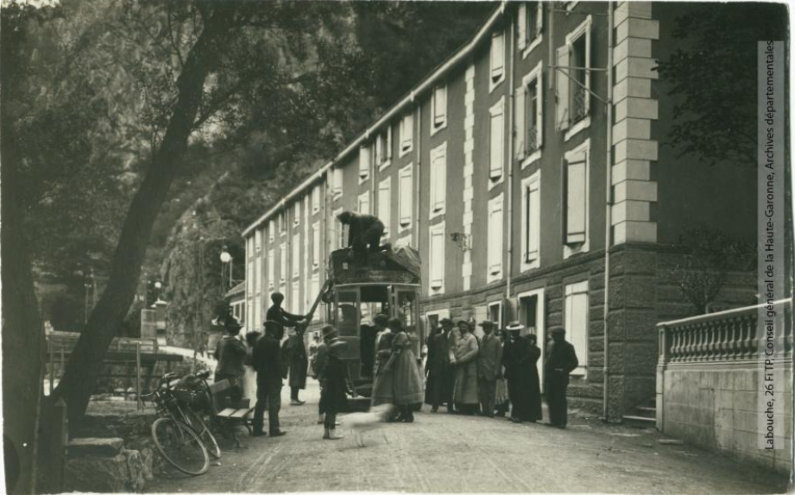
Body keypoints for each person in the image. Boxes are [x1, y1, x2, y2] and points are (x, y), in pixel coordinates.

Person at [384, 318, 424, 422]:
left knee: (404, 385)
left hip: (403, 360)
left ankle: (408, 414)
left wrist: (389, 364)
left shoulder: (401, 335)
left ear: (395, 326)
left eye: (391, 326)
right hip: (405, 358)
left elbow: (397, 351)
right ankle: (404, 413)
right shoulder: (401, 334)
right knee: (403, 386)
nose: (390, 328)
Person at [252, 321, 287, 437]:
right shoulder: (275, 342)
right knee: (273, 402)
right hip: (273, 377)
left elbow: (254, 360)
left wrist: (259, 370)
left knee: (260, 402)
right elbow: (277, 361)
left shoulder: (258, 341)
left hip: (261, 376)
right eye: (276, 329)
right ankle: (274, 429)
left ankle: (257, 429)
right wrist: (281, 375)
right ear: (273, 330)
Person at [502, 322, 542, 423]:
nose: (515, 332)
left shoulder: (525, 342)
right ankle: (514, 414)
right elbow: (503, 357)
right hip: (510, 371)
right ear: (510, 331)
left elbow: (528, 354)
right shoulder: (507, 342)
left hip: (521, 372)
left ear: (519, 331)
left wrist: (520, 363)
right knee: (512, 393)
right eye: (513, 331)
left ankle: (518, 415)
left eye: (517, 331)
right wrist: (507, 364)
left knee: (519, 392)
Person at [545, 326, 579, 428]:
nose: (553, 337)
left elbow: (574, 362)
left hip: (561, 378)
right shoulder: (552, 346)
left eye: (555, 335)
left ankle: (562, 422)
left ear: (561, 336)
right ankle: (554, 421)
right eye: (553, 335)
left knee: (560, 399)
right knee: (551, 399)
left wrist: (564, 370)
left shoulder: (568, 347)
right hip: (551, 377)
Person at [320, 339, 352, 440]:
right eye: (340, 350)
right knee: (333, 411)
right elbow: (341, 378)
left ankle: (326, 432)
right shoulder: (337, 363)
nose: (342, 352)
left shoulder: (328, 361)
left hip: (327, 388)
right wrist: (347, 389)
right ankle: (332, 433)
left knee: (328, 411)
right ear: (336, 352)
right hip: (334, 388)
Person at [213, 319, 247, 408]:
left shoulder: (221, 341)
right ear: (237, 331)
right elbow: (244, 352)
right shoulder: (234, 342)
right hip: (230, 375)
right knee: (233, 398)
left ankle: (220, 418)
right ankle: (230, 419)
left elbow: (216, 355)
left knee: (220, 398)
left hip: (219, 373)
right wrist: (242, 341)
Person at [425, 318, 455, 413]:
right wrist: (432, 331)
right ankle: (435, 406)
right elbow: (431, 347)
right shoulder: (438, 337)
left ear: (451, 326)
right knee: (436, 387)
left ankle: (450, 407)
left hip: (450, 366)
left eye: (447, 325)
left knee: (450, 387)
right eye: (443, 326)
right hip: (438, 366)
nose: (445, 327)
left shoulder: (455, 337)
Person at [450, 320, 479, 415]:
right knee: (460, 386)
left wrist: (462, 359)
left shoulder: (471, 338)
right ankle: (461, 406)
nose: (462, 328)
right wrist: (453, 358)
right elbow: (453, 349)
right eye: (460, 326)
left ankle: (470, 408)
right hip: (460, 366)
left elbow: (474, 351)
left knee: (469, 388)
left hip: (469, 366)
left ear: (467, 327)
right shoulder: (458, 339)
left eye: (464, 326)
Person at [476, 321, 503, 418]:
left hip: (491, 369)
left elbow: (499, 356)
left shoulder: (497, 340)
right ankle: (485, 410)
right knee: (483, 392)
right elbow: (480, 355)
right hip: (482, 369)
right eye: (484, 327)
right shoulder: (481, 339)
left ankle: (491, 411)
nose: (485, 329)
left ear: (491, 328)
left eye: (487, 327)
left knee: (491, 392)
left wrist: (497, 369)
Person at [370, 315, 396, 408]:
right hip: (378, 364)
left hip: (386, 364)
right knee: (378, 387)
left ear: (381, 324)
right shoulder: (378, 334)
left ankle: (386, 409)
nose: (375, 326)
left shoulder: (390, 334)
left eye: (377, 323)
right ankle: (378, 408)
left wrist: (383, 352)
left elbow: (393, 350)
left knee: (385, 387)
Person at [314, 325, 338, 425]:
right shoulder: (323, 346)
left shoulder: (325, 345)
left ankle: (324, 418)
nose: (335, 335)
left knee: (326, 396)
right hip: (325, 375)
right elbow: (319, 362)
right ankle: (322, 418)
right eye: (333, 334)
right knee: (325, 396)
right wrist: (319, 375)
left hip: (326, 374)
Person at [282, 324, 309, 405]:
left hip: (298, 362)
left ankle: (295, 398)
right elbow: (290, 349)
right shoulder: (294, 337)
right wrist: (298, 355)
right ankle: (293, 399)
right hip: (296, 363)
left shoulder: (297, 336)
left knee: (297, 380)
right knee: (295, 381)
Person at [241, 331, 262, 402]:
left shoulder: (247, 347)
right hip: (248, 370)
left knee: (250, 388)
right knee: (249, 388)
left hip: (249, 369)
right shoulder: (250, 349)